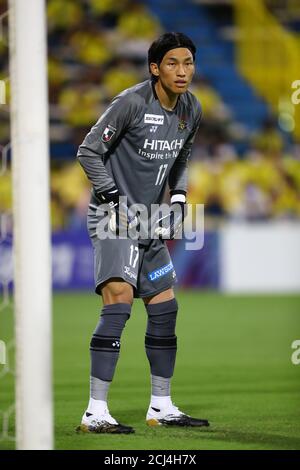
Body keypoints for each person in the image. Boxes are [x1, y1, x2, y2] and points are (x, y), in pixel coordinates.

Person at [76, 32, 210, 434]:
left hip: (150, 220)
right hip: (112, 217)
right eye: (172, 63)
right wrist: (114, 198)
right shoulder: (131, 102)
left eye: (188, 63)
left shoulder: (192, 109)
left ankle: (161, 406)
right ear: (155, 68)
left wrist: (181, 196)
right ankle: (95, 412)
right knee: (119, 302)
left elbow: (182, 155)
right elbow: (87, 150)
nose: (182, 71)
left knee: (165, 307)